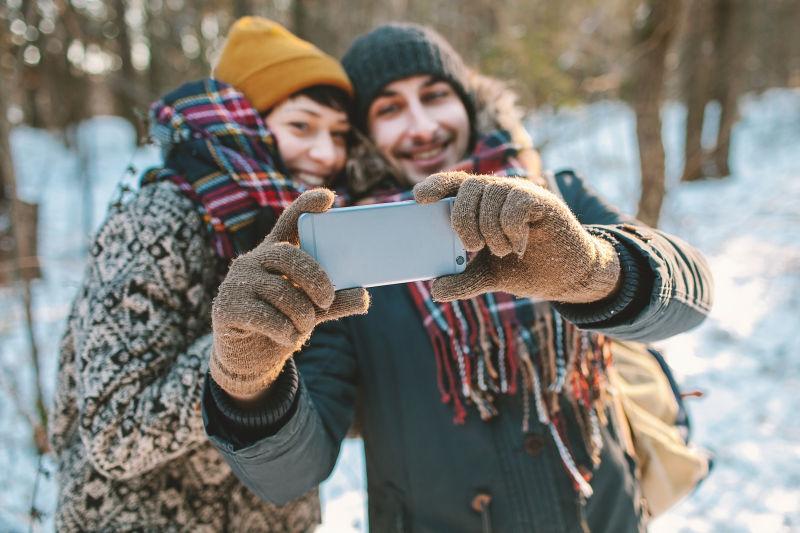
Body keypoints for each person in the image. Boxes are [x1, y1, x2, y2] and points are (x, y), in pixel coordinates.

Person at [203, 23, 714, 532]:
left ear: (469, 104)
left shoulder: (551, 197)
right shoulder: (344, 256)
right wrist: (248, 381)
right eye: (390, 109)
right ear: (365, 135)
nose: (422, 126)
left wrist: (591, 273)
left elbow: (693, 296)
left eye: (435, 96)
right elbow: (291, 474)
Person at [47, 16, 368, 531]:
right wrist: (235, 355)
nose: (327, 154)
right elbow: (114, 432)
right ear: (242, 121)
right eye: (302, 126)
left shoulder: (314, 234)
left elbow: (331, 404)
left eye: (339, 135)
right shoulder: (159, 219)